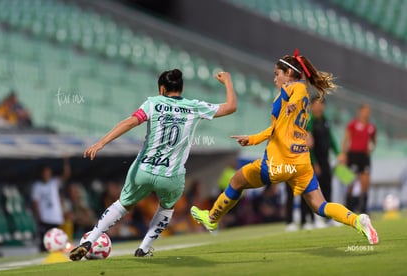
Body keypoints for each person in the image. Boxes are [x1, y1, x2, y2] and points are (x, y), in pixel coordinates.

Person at [191, 50, 379, 245]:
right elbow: (276, 128)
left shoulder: (293, 88)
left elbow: (297, 94)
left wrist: (292, 104)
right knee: (319, 205)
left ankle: (212, 219)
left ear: (288, 73)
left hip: (279, 163)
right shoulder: (297, 92)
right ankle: (358, 221)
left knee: (237, 180)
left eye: (277, 73)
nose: (275, 78)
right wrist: (253, 139)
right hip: (301, 163)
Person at [69, 68, 237, 260]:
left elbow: (129, 123)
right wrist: (227, 81)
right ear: (181, 88)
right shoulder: (194, 106)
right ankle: (144, 247)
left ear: (162, 89)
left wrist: (101, 143)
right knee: (167, 207)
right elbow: (231, 107)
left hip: (143, 169)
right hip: (171, 176)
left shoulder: (153, 103)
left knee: (122, 205)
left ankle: (90, 239)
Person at [339, 104, 376, 213]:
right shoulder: (353, 124)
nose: (367, 113)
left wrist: (371, 148)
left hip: (365, 157)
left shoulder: (371, 127)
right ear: (360, 112)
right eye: (365, 110)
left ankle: (363, 209)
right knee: (350, 182)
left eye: (368, 111)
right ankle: (348, 208)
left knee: (365, 182)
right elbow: (346, 139)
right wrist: (343, 154)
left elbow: (374, 141)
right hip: (353, 155)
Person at [31, 157, 71, 252]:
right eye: (45, 172)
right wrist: (39, 217)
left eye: (48, 172)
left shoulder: (54, 182)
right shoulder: (37, 186)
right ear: (41, 174)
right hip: (45, 218)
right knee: (45, 242)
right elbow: (35, 202)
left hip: (56, 217)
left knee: (57, 240)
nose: (46, 174)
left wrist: (66, 161)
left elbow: (66, 175)